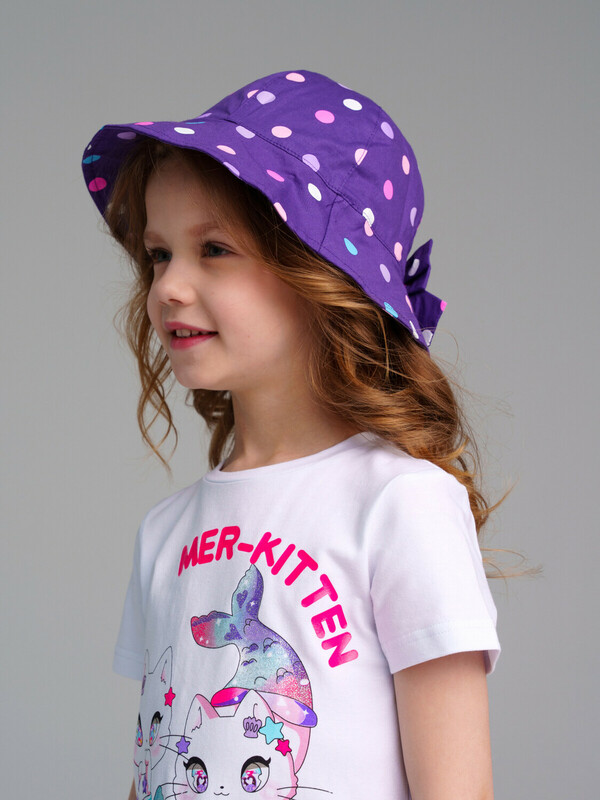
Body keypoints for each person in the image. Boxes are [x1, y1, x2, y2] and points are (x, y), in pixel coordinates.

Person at [82, 69, 502, 800]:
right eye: (159, 254)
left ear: (321, 275)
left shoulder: (402, 503)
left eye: (215, 249)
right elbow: (158, 756)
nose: (168, 286)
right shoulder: (165, 533)